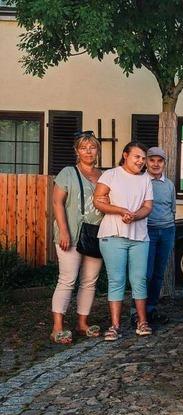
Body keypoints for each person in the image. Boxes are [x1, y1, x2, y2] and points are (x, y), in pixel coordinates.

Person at [93, 142, 154, 341]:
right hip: (113, 235)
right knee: (117, 280)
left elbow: (148, 206)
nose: (141, 161)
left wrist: (135, 215)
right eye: (137, 157)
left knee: (139, 280)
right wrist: (121, 211)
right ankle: (115, 325)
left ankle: (142, 321)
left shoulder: (146, 179)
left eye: (143, 158)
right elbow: (99, 200)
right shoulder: (111, 174)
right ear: (125, 155)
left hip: (139, 237)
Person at [50, 131, 104, 344]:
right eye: (84, 147)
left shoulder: (104, 175)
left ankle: (82, 323)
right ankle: (57, 328)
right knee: (67, 279)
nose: (88, 151)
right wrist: (63, 231)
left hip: (95, 234)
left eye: (92, 147)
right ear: (77, 151)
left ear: (97, 150)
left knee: (90, 281)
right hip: (71, 234)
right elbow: (57, 203)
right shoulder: (68, 173)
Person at [136, 146, 175, 325]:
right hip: (147, 230)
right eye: (152, 160)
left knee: (159, 274)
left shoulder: (169, 185)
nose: (156, 164)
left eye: (159, 161)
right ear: (146, 162)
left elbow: (172, 209)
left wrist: (170, 227)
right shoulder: (140, 181)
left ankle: (151, 310)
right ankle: (137, 313)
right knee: (146, 274)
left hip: (167, 231)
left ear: (164, 163)